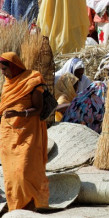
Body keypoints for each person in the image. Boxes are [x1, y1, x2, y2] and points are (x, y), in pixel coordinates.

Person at [0, 52, 49, 211]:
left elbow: (39, 108)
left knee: (25, 169)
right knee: (11, 172)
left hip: (28, 132)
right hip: (8, 134)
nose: (3, 73)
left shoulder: (32, 80)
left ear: (14, 66)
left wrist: (19, 114)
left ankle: (32, 204)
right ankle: (16, 206)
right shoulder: (8, 83)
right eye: (1, 70)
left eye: (4, 69)